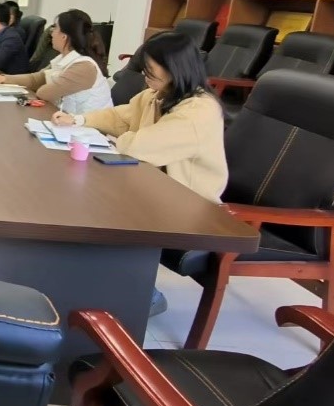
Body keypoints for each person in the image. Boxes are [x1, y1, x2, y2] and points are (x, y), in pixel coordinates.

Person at [54, 31, 226, 317]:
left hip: (190, 204)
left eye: (151, 72)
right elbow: (121, 117)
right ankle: (94, 281)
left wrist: (112, 140)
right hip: (154, 188)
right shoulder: (157, 95)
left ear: (174, 70)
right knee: (88, 194)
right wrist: (79, 120)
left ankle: (144, 295)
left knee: (105, 206)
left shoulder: (200, 111)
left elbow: (140, 145)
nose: (146, 77)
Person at [0, 8, 112, 115]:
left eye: (55, 28)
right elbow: (37, 78)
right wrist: (3, 79)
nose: (51, 33)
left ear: (64, 36)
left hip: (89, 132)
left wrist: (44, 83)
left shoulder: (83, 67)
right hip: (68, 122)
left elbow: (44, 93)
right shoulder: (63, 58)